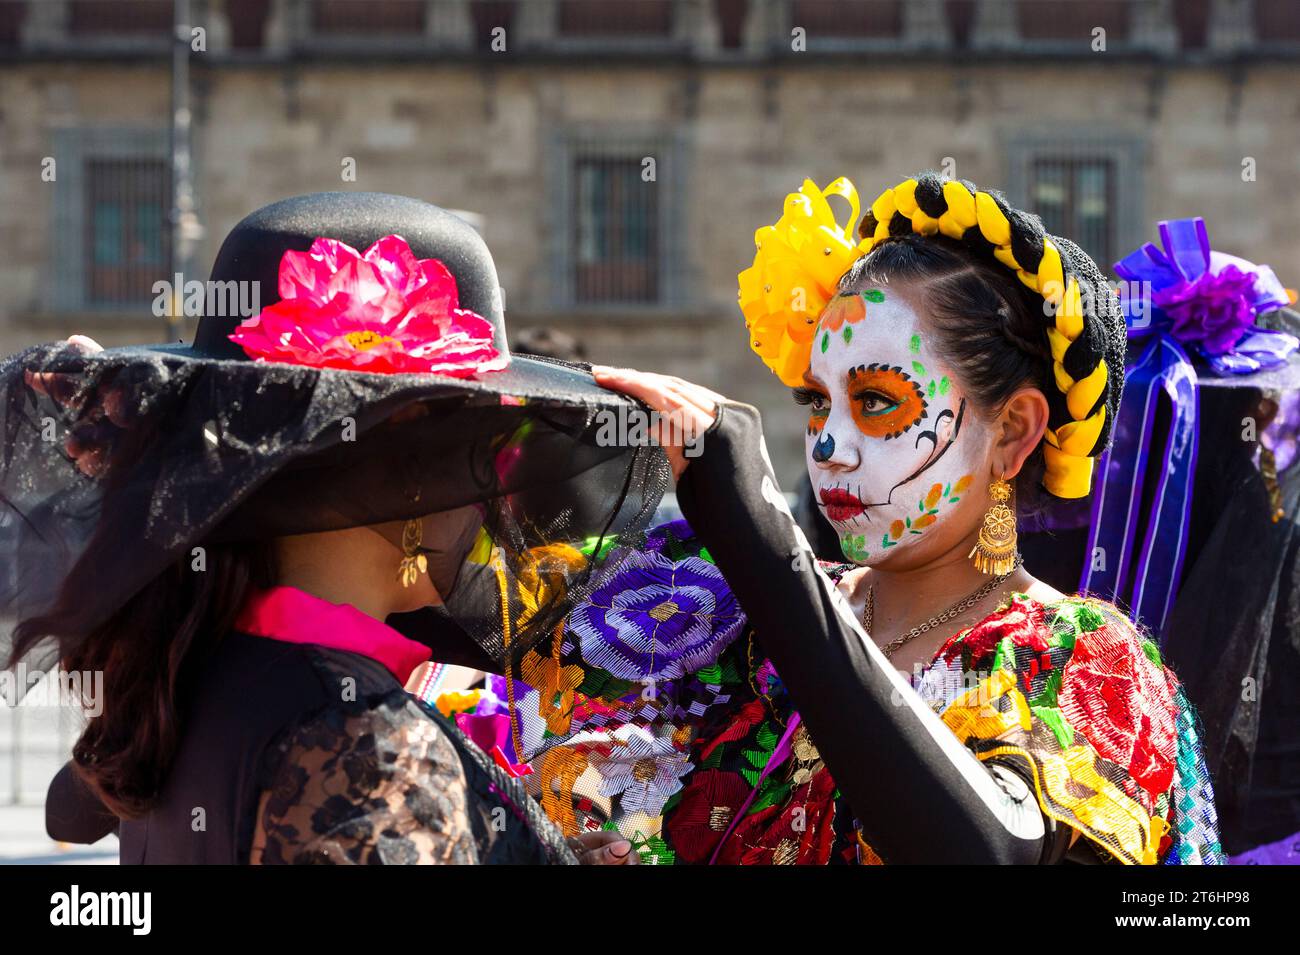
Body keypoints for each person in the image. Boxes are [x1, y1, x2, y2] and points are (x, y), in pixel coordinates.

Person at [448, 173, 1223, 864]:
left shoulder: (1080, 661)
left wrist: (762, 544)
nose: (830, 448)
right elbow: (458, 595)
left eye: (880, 402)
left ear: (1014, 432)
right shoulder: (720, 619)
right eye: (818, 403)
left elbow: (989, 850)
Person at [4, 192, 666, 864]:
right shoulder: (366, 745)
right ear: (411, 475)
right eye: (479, 455)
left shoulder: (193, 664)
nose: (493, 497)